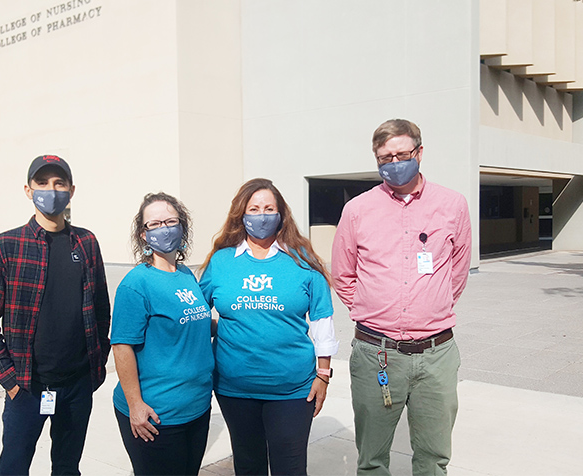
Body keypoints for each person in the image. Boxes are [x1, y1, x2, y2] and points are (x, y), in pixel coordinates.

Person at [331, 119, 472, 476]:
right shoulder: (358, 210)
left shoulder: (453, 205)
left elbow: (457, 273)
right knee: (373, 459)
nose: (394, 163)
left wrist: (429, 306)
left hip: (436, 355)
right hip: (376, 353)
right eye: (384, 158)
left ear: (419, 153)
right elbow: (343, 275)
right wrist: (375, 311)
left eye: (401, 154)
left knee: (433, 458)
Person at [0, 155, 111, 476]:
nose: (52, 190)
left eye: (59, 183)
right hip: (27, 386)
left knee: (67, 467)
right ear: (28, 189)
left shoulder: (86, 242)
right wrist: (9, 381)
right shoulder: (5, 246)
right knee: (14, 466)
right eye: (43, 183)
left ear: (71, 190)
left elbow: (102, 311)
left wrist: (95, 368)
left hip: (77, 385)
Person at [199, 178, 338, 476]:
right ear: (241, 214)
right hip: (234, 389)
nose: (261, 215)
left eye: (269, 208)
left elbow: (323, 322)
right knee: (248, 466)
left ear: (281, 214)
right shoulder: (222, 261)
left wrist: (323, 374)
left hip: (292, 389)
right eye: (254, 208)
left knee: (289, 467)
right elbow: (196, 311)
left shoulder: (303, 261)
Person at [111, 192, 213, 476]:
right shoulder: (136, 284)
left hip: (196, 407)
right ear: (143, 235)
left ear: (182, 227)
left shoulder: (187, 276)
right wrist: (135, 405)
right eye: (154, 224)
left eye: (170, 221)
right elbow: (122, 347)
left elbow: (194, 323)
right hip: (156, 415)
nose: (164, 228)